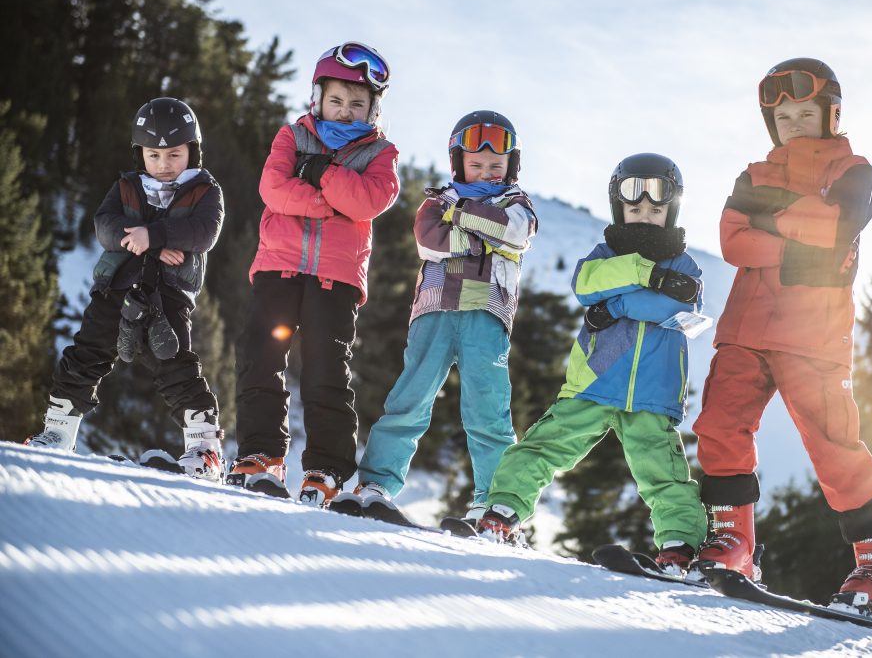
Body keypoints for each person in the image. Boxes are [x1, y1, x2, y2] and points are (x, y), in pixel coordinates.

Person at [691, 58, 872, 613]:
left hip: (813, 332)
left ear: (829, 113)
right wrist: (800, 237)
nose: (791, 121)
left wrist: (771, 221)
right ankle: (734, 542)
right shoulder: (753, 174)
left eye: (804, 111)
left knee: (832, 443)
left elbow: (837, 229)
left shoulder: (854, 170)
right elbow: (733, 241)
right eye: (781, 114)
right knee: (719, 424)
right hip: (744, 327)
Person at [476, 153, 708, 570]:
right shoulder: (603, 253)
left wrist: (616, 302)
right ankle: (503, 512)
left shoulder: (685, 265)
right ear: (619, 208)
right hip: (593, 383)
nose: (643, 217)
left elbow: (669, 306)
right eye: (634, 208)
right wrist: (645, 274)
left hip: (653, 396)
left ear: (671, 210)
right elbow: (585, 284)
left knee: (665, 475)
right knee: (544, 446)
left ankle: (679, 547)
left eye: (655, 210)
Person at [227, 42, 400, 505]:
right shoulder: (292, 136)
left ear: (372, 109)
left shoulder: (381, 154)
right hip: (278, 267)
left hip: (335, 280)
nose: (345, 112)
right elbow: (273, 189)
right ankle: (260, 456)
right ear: (318, 97)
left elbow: (368, 202)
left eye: (357, 104)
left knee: (326, 371)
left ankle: (325, 469)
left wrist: (320, 173)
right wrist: (332, 202)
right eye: (337, 101)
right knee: (261, 356)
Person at [25, 97, 225, 481]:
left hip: (168, 295)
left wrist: (155, 234)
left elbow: (204, 232)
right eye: (154, 155)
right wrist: (141, 240)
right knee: (87, 350)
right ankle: (57, 430)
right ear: (140, 154)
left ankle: (204, 449)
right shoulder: (128, 185)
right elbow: (104, 226)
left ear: (193, 151)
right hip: (116, 287)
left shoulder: (205, 190)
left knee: (173, 362)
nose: (163, 165)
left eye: (174, 155)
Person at [356, 110, 537, 520]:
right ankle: (376, 482)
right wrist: (483, 242)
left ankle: (495, 504)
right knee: (410, 397)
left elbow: (515, 233)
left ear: (512, 166)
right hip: (435, 310)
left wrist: (462, 219)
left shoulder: (517, 205)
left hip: (486, 314)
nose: (486, 173)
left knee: (488, 409)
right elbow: (429, 240)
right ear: (459, 163)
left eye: (496, 166)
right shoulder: (437, 201)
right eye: (476, 165)